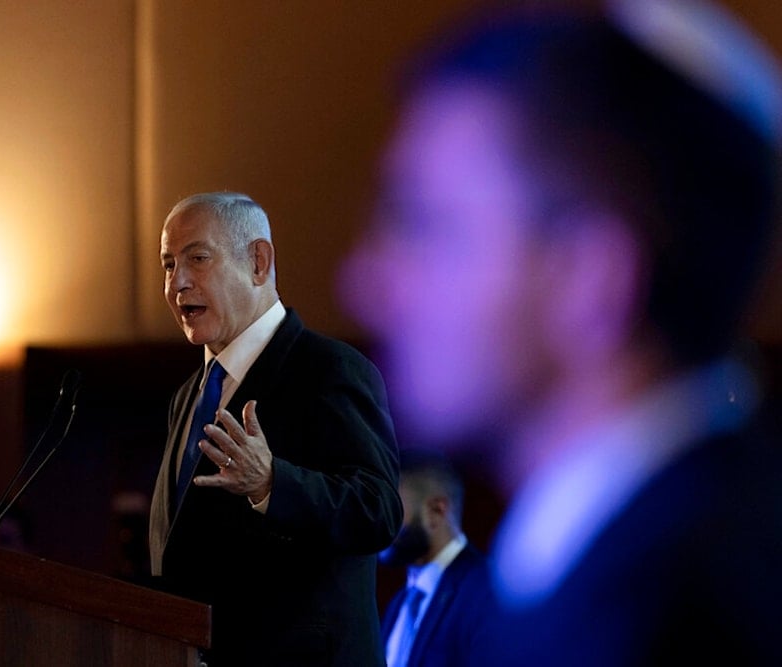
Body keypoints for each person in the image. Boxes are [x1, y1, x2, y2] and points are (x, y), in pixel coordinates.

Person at [341, 1, 782, 665]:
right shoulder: (688, 538)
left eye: (425, 224)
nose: (366, 284)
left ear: (592, 279)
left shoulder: (656, 623)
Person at [148, 191, 402, 666]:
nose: (177, 282)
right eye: (167, 264)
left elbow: (378, 511)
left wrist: (272, 483)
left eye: (197, 258)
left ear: (258, 261)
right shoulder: (187, 396)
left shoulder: (331, 370)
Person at [380, 452, 494, 667]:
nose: (379, 521)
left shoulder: (487, 590)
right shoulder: (398, 603)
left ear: (436, 511)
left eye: (392, 509)